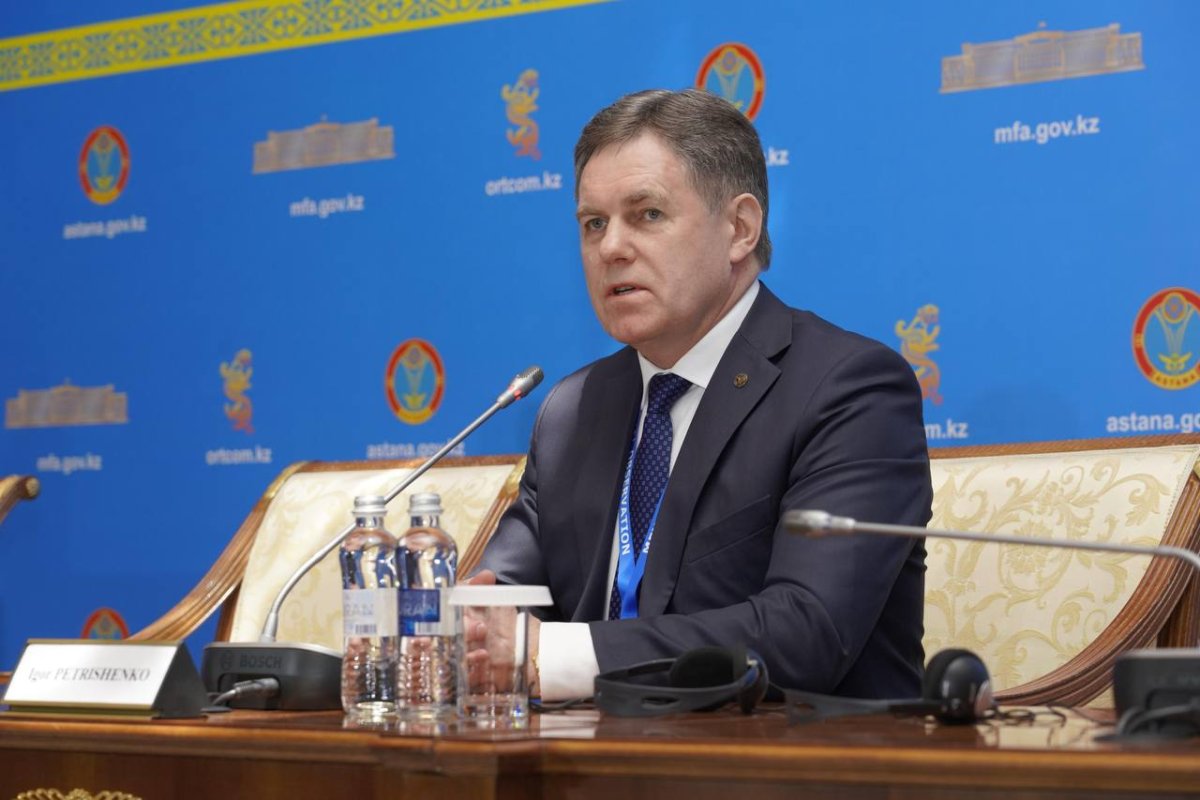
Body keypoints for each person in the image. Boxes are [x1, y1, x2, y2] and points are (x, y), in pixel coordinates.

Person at [473, 88, 931, 701]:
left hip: (785, 750)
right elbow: (503, 599)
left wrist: (549, 655)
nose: (611, 247)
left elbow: (808, 631)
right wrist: (462, 633)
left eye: (647, 214)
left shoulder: (849, 389)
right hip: (585, 748)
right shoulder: (573, 409)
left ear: (740, 228)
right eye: (593, 223)